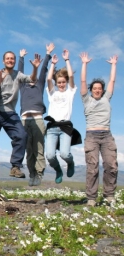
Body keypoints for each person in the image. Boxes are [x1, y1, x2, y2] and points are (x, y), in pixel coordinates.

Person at [0, 51, 41, 181]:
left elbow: (32, 79)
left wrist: (35, 68)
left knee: (22, 135)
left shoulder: (18, 75)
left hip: (10, 113)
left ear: (14, 61)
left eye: (12, 59)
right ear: (3, 61)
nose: (10, 60)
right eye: (8, 59)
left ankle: (15, 167)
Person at [79, 52, 118, 207]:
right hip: (92, 136)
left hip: (107, 135)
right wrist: (84, 63)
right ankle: (91, 198)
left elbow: (113, 80)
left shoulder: (106, 98)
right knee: (92, 168)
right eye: (94, 88)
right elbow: (82, 80)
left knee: (111, 165)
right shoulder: (86, 100)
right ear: (91, 90)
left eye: (99, 88)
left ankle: (109, 195)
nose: (97, 90)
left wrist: (114, 65)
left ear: (102, 90)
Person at [18, 43, 55, 186]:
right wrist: (20, 58)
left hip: (38, 120)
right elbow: (19, 72)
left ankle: (39, 174)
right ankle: (32, 174)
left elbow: (43, 70)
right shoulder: (22, 86)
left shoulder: (39, 84)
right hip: (25, 121)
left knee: (39, 148)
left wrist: (47, 54)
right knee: (29, 149)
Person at [45, 50, 79, 184]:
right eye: (59, 82)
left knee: (65, 154)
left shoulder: (70, 92)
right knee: (50, 155)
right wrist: (52, 63)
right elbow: (48, 79)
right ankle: (58, 170)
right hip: (52, 127)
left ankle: (70, 163)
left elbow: (71, 76)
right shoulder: (52, 93)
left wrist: (67, 60)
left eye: (63, 82)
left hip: (65, 127)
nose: (61, 84)